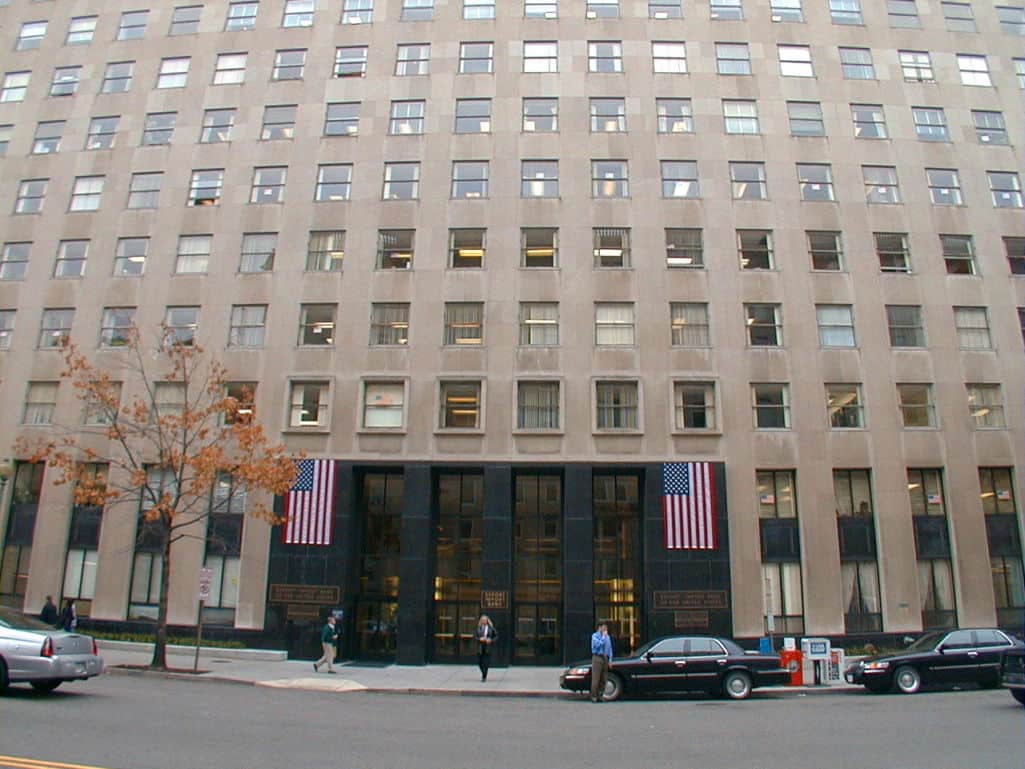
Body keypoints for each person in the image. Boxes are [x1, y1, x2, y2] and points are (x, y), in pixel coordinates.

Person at [589, 622, 614, 703]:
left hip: (605, 658)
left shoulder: (608, 637)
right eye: (604, 627)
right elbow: (597, 645)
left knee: (604, 678)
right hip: (597, 657)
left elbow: (610, 649)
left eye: (606, 628)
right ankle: (594, 696)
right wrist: (603, 636)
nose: (605, 629)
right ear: (599, 628)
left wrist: (610, 660)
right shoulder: (594, 636)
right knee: (596, 678)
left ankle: (600, 695)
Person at [474, 614, 497, 682]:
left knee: (486, 663)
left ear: (487, 621)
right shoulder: (478, 628)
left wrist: (491, 640)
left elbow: (496, 636)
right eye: (483, 620)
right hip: (480, 647)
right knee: (479, 662)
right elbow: (475, 637)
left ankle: (484, 676)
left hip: (488, 647)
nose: (484, 621)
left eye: (485, 620)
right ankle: (483, 673)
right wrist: (480, 639)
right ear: (481, 621)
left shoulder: (491, 628)